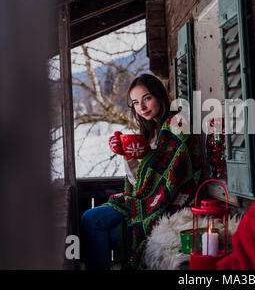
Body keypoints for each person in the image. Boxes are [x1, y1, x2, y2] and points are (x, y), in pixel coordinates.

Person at [81, 73, 202, 270]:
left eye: (147, 98)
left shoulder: (177, 124)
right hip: (143, 200)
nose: (142, 107)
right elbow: (139, 183)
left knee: (99, 227)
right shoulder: (149, 134)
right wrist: (128, 155)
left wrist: (148, 172)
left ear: (159, 96)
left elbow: (172, 174)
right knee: (91, 220)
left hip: (168, 204)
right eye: (136, 103)